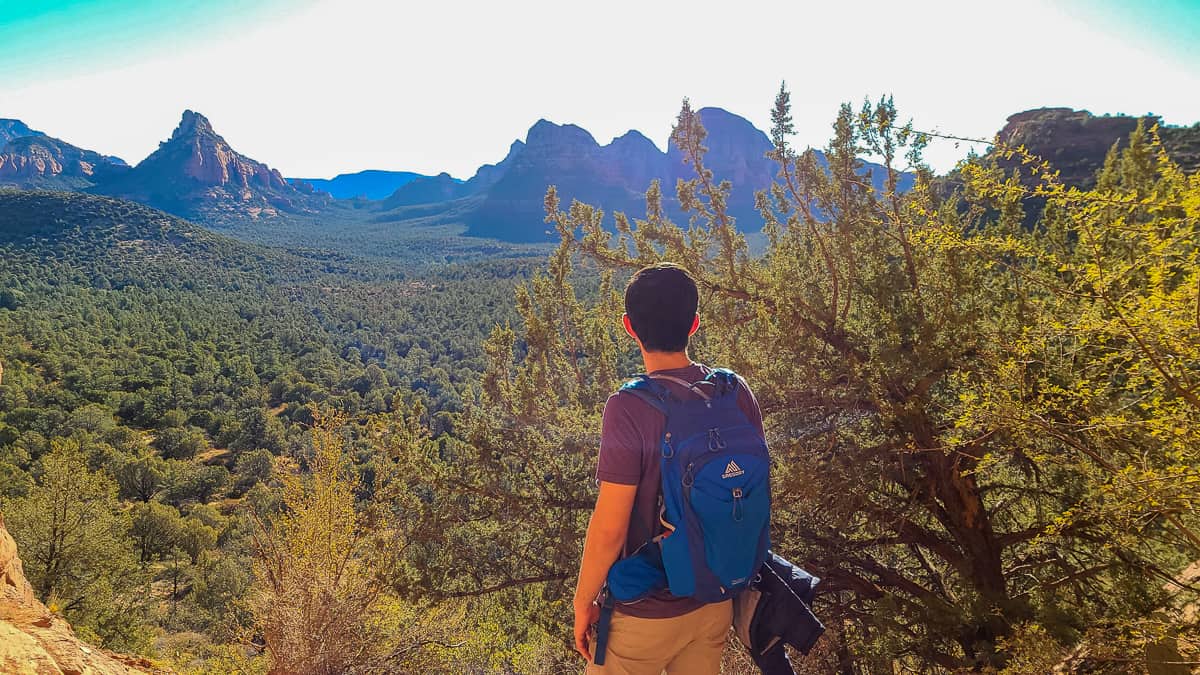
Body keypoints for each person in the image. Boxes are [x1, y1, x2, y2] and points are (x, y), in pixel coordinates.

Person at [572, 263, 767, 675]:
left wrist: (583, 601)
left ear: (629, 327)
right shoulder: (733, 391)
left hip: (645, 613)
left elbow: (610, 527)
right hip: (713, 600)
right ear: (694, 323)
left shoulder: (628, 407)